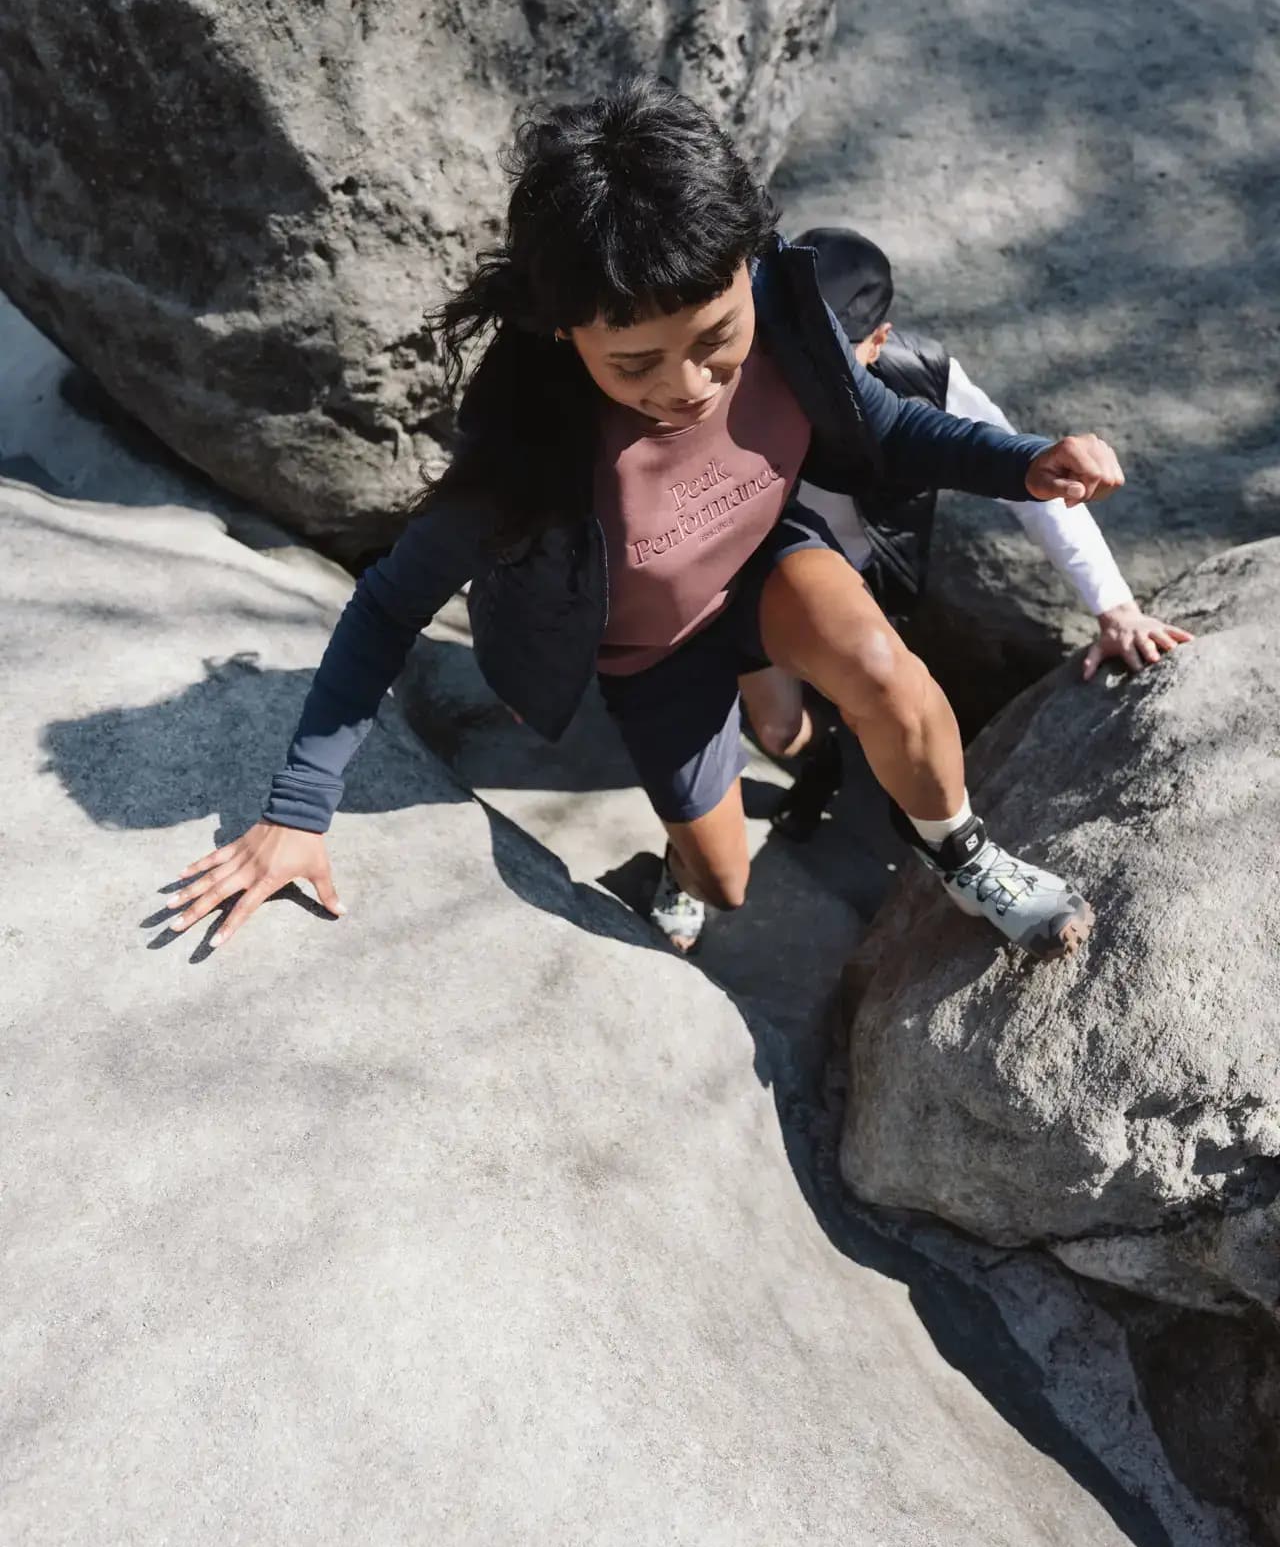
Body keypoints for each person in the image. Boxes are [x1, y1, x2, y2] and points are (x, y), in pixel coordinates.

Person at [166, 79, 1127, 963]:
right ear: (562, 329)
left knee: (877, 667)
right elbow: (387, 607)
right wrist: (298, 811)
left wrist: (1023, 461)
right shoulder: (527, 451)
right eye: (635, 365)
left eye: (716, 340)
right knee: (726, 883)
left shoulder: (787, 310)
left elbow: (884, 424)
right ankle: (681, 864)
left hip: (764, 569)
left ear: (747, 267)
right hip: (648, 656)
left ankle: (966, 861)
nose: (688, 387)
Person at [733, 226, 1193, 849]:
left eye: (835, 355)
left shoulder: (920, 376)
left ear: (880, 342)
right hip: (763, 570)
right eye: (799, 353)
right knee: (781, 729)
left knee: (877, 703)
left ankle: (929, 829)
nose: (812, 378)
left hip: (867, 576)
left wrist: (1115, 607)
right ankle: (821, 765)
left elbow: (1033, 483)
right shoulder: (750, 364)